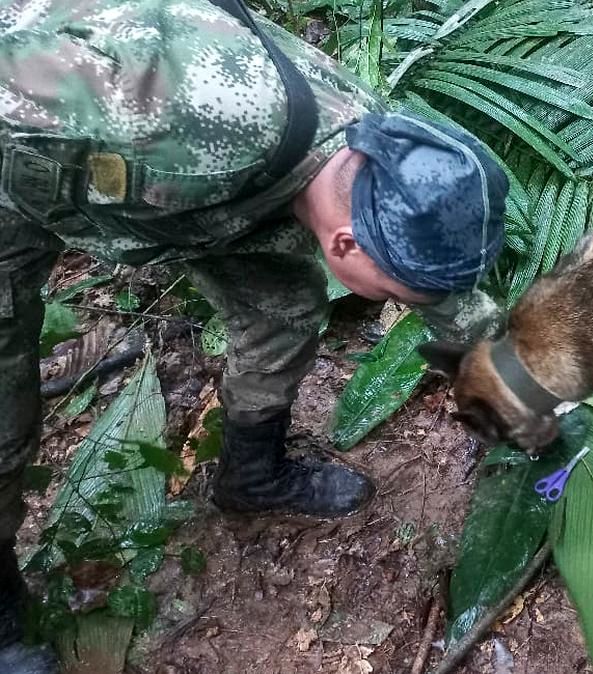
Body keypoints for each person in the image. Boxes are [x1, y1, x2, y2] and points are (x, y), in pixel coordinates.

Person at [0, 0, 509, 670]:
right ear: (347, 243)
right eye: (394, 296)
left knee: (284, 312)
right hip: (18, 186)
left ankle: (251, 475)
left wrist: (519, 383)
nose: (407, 305)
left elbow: (441, 290)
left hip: (199, 209)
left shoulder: (377, 157)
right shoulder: (173, 112)